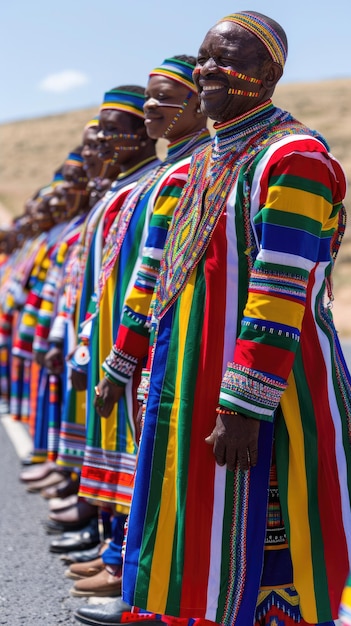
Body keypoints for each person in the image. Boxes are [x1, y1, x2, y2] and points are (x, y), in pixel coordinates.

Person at [119, 11, 351, 626]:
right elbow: (159, 274)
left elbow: (280, 290)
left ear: (270, 74)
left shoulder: (293, 159)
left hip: (270, 391)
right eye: (204, 58)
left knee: (273, 535)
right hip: (190, 380)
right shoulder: (201, 163)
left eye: (231, 60)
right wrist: (131, 361)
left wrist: (243, 407)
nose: (209, 71)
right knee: (197, 528)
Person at [69, 55, 210, 603]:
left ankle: (135, 574)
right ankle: (122, 561)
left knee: (150, 457)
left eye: (163, 97)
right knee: (137, 451)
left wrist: (127, 352)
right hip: (127, 334)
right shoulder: (154, 178)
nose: (153, 107)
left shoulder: (184, 172)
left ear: (195, 105)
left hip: (161, 339)